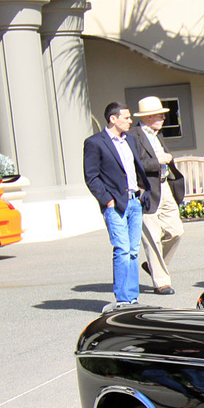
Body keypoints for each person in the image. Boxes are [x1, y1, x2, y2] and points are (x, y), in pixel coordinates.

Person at [82, 102, 148, 310]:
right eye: (126, 118)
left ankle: (132, 297)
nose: (130, 121)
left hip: (134, 201)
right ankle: (122, 299)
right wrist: (107, 200)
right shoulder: (95, 143)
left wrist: (142, 192)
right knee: (122, 249)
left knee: (133, 250)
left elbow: (137, 167)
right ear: (113, 119)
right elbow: (91, 177)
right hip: (115, 205)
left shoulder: (130, 139)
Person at [130, 95, 183, 296]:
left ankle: (154, 266)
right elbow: (133, 164)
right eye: (158, 115)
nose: (162, 118)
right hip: (147, 189)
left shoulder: (157, 134)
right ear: (147, 117)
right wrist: (157, 161)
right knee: (152, 236)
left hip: (165, 186)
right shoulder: (133, 135)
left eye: (162, 115)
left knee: (176, 231)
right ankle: (161, 282)